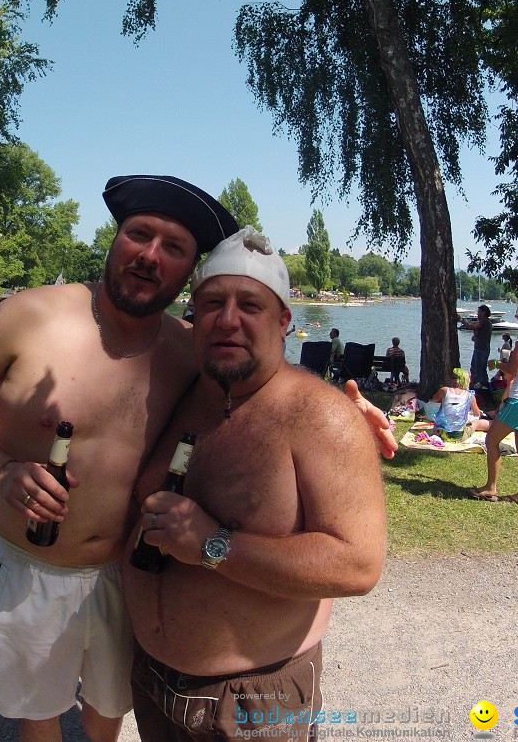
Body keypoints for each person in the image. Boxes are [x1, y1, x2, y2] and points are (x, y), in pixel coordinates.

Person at [0, 175, 397, 742]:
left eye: (174, 248)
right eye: (138, 234)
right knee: (39, 714)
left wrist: (343, 419)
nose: (149, 256)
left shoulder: (191, 354)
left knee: (105, 717)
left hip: (138, 589)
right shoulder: (34, 317)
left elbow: (271, 395)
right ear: (115, 239)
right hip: (41, 571)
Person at [125, 226, 386, 742]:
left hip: (252, 701)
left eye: (251, 305)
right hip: (152, 681)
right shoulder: (178, 388)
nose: (227, 320)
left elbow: (358, 564)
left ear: (285, 321)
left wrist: (213, 546)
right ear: (193, 316)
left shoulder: (317, 415)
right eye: (213, 302)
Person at [469, 296, 518, 506]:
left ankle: (490, 488)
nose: (515, 315)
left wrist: (496, 362)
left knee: (491, 440)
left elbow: (513, 369)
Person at [429, 367, 490, 438]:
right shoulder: (469, 395)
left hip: (439, 433)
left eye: (451, 377)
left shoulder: (444, 390)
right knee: (476, 423)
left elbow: (432, 402)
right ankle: (495, 427)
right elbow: (477, 414)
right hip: (457, 436)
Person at [457, 304, 493, 388]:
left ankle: (480, 386)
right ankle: (479, 384)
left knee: (479, 368)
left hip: (482, 348)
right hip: (480, 348)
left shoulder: (484, 321)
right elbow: (478, 333)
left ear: (484, 313)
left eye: (479, 312)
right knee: (476, 367)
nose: (477, 313)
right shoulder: (485, 322)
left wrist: (461, 320)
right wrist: (475, 337)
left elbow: (471, 326)